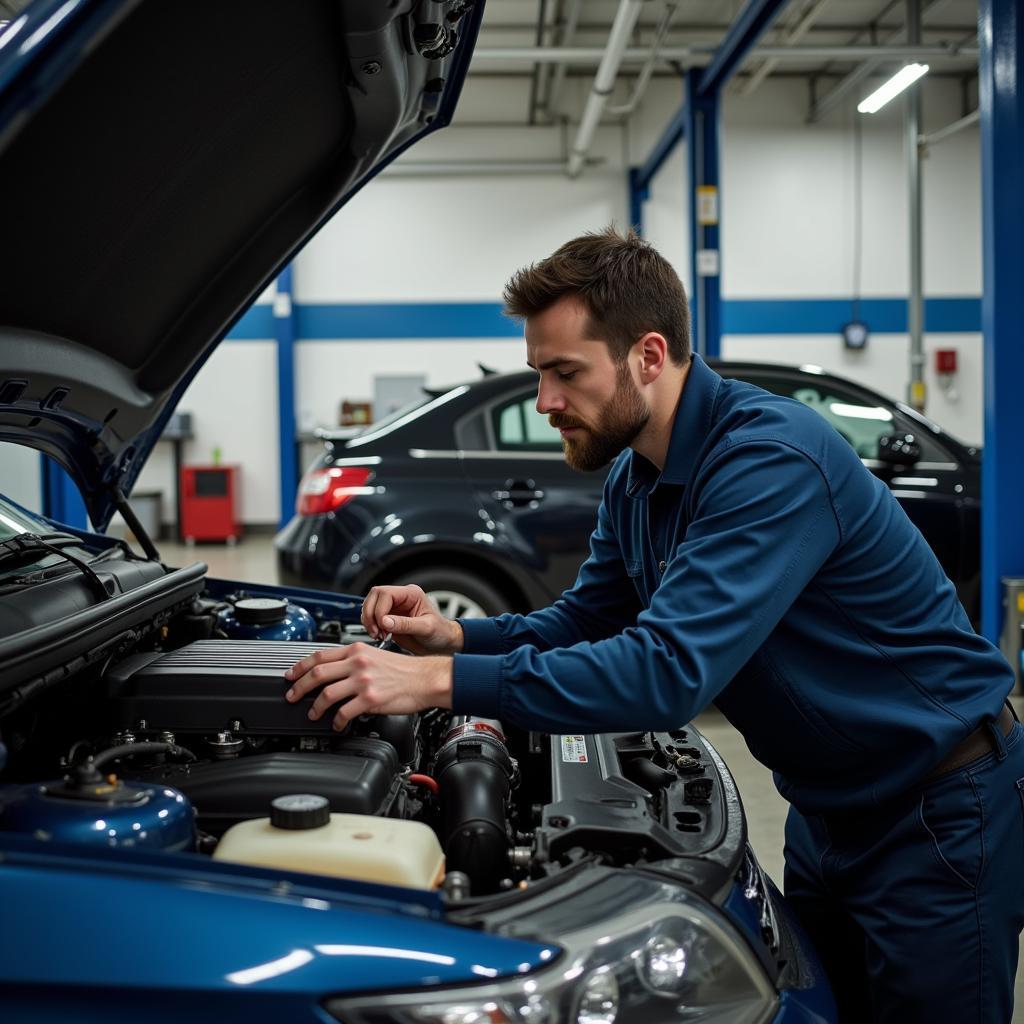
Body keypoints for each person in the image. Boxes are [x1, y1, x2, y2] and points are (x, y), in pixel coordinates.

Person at [283, 227, 1023, 1023]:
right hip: (828, 809)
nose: (546, 402)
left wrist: (433, 682)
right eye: (539, 374)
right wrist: (456, 639)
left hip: (935, 812)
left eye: (565, 373)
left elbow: (667, 673)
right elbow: (586, 619)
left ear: (648, 354)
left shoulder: (769, 461)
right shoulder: (638, 478)